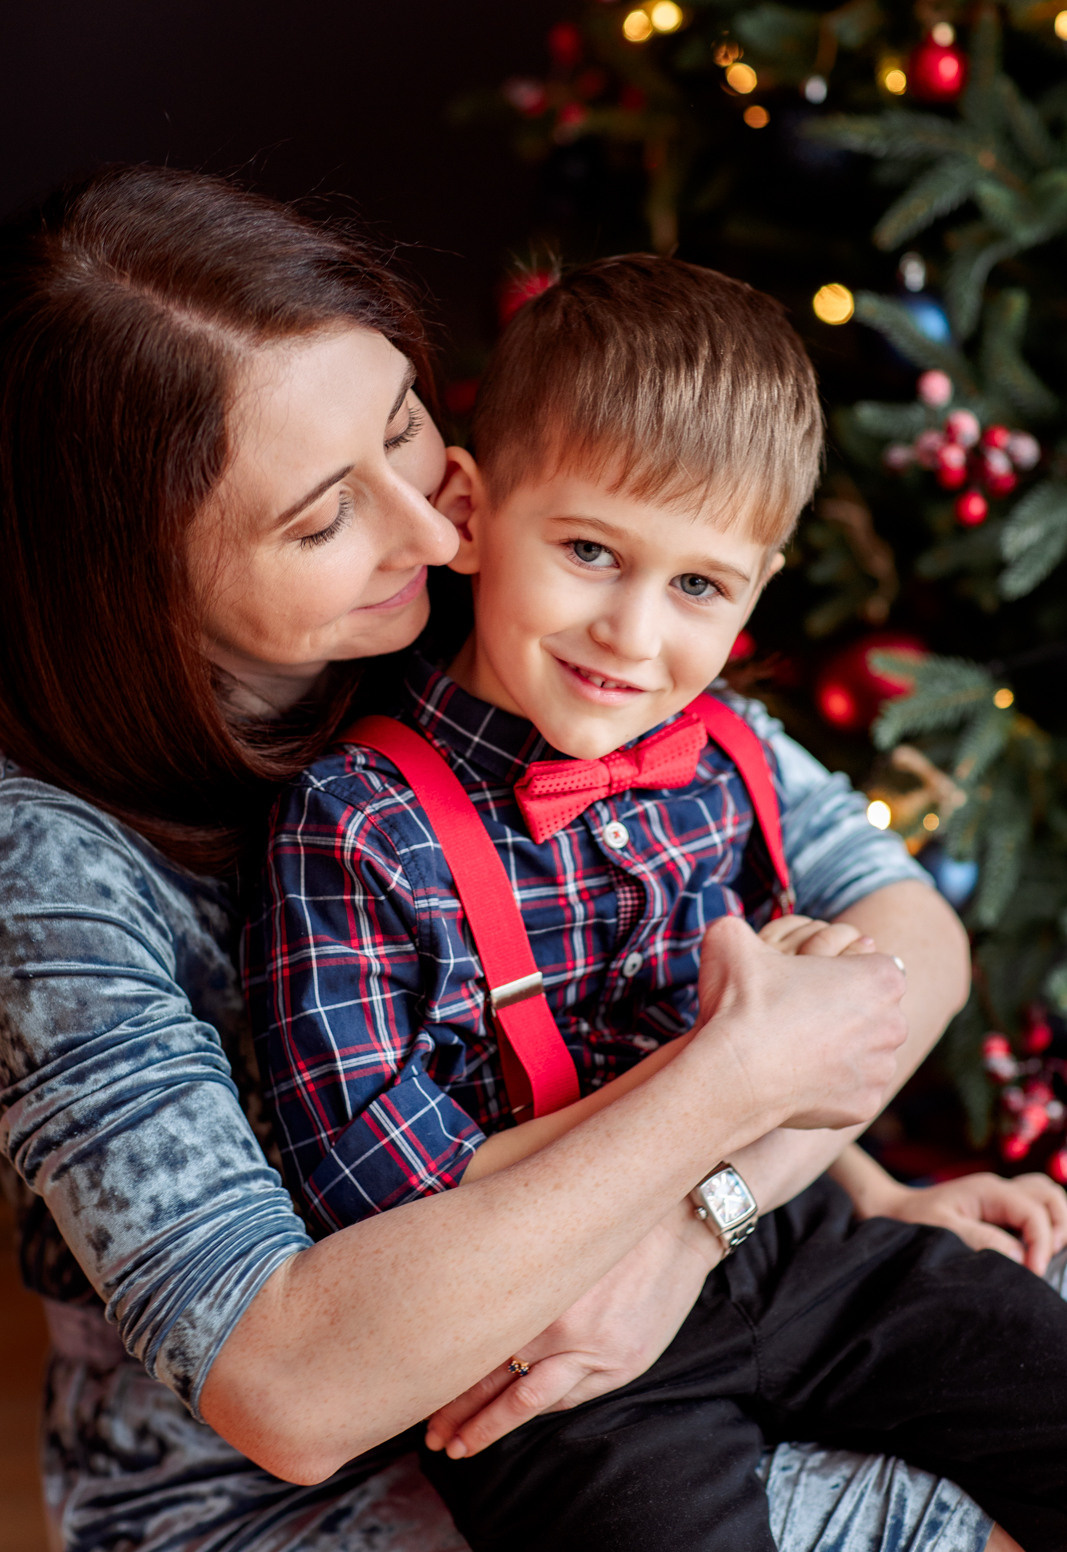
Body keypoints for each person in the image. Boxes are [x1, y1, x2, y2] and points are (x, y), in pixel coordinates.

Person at [0, 165, 1053, 1552]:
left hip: (685, 1292)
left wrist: (708, 1220)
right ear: (134, 574)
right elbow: (293, 1388)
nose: (439, 526)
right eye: (325, 518)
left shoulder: (527, 601)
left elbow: (902, 935)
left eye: (407, 430)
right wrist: (741, 1079)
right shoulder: (47, 874)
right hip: (312, 1477)